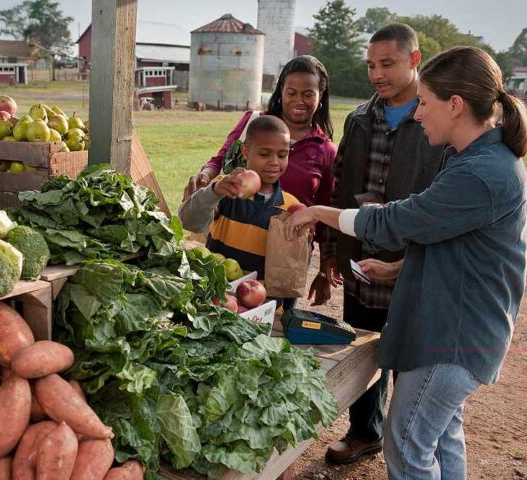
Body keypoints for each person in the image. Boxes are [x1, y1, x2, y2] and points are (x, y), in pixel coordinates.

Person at [286, 45, 527, 480]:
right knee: (441, 437)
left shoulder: (480, 173)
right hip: (460, 332)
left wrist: (320, 212)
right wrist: (399, 269)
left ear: (455, 106)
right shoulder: (477, 160)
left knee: (407, 446)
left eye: (425, 103)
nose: (418, 114)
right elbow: (455, 241)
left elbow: (400, 221)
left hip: (451, 338)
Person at [318, 23, 445, 465]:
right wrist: (333, 249)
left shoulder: (437, 119)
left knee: (410, 356)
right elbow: (338, 188)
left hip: (415, 262)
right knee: (366, 349)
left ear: (414, 60)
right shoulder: (358, 119)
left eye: (386, 63)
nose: (376, 74)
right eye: (371, 65)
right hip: (361, 258)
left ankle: (405, 440)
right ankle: (364, 432)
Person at [184, 55, 337, 303]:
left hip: (283, 258)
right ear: (281, 92)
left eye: (308, 94)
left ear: (320, 96)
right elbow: (221, 157)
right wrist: (207, 177)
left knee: (272, 317)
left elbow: (325, 211)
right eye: (291, 92)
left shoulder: (326, 150)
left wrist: (325, 266)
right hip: (234, 231)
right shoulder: (254, 124)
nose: (299, 100)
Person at [178, 115, 300, 307]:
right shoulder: (225, 188)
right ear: (245, 151)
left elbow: (290, 267)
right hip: (216, 298)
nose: (274, 162)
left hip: (260, 306)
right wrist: (214, 191)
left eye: (282, 155)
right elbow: (188, 221)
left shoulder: (290, 207)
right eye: (264, 153)